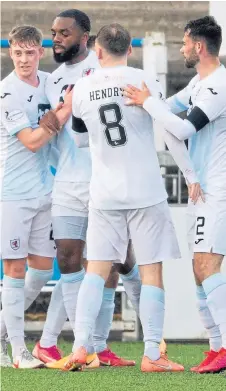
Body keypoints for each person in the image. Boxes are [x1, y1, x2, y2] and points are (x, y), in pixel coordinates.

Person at [61, 22, 203, 373]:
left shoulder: (82, 87)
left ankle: (81, 347)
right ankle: (153, 353)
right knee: (152, 269)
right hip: (145, 190)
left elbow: (79, 139)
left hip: (104, 192)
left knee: (95, 270)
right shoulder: (144, 79)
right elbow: (167, 125)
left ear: (97, 50)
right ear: (130, 49)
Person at [32, 10, 139, 368]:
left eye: (64, 32)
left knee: (110, 264)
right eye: (53, 32)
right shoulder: (53, 80)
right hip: (66, 180)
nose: (56, 38)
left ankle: (99, 345)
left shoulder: (105, 68)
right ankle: (76, 345)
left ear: (85, 36)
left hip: (105, 180)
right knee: (68, 259)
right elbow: (49, 129)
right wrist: (47, 122)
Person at [123, 16, 226, 374]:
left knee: (207, 265)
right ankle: (216, 348)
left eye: (184, 42)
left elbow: (181, 126)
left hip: (220, 189)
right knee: (199, 270)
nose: (180, 48)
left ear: (199, 46)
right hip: (203, 189)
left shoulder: (218, 85)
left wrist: (148, 103)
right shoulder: (198, 81)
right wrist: (146, 101)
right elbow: (167, 113)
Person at [0, 25, 72, 369]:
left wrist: (55, 118)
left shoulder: (49, 81)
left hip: (46, 190)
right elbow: (30, 141)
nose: (24, 59)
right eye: (18, 53)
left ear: (39, 52)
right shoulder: (7, 92)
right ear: (10, 53)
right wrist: (59, 116)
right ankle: (18, 352)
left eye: (30, 52)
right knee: (14, 269)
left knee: (42, 270)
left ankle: (1, 333)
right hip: (12, 194)